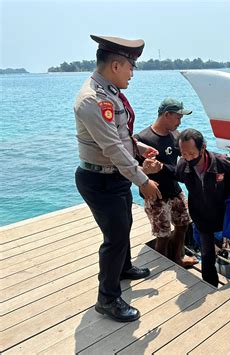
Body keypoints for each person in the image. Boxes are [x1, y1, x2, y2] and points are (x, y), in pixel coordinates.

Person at [74, 35, 161, 322]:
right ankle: (107, 299)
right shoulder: (93, 100)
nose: (132, 73)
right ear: (115, 65)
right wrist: (143, 181)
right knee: (115, 238)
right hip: (100, 180)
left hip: (115, 177)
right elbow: (111, 148)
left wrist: (138, 146)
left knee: (124, 227)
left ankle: (123, 269)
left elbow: (119, 135)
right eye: (130, 67)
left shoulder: (109, 92)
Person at [175, 128, 230, 287]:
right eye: (183, 154)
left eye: (192, 154)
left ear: (202, 148)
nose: (187, 158)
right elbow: (173, 175)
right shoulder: (183, 165)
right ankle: (210, 286)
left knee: (227, 238)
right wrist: (155, 170)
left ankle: (228, 244)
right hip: (202, 219)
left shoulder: (221, 162)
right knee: (207, 255)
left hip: (224, 215)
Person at [134, 98, 198, 267]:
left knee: (183, 224)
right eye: (177, 117)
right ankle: (161, 267)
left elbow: (184, 163)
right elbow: (130, 170)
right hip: (155, 195)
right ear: (166, 114)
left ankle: (177, 259)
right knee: (162, 235)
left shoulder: (176, 137)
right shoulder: (141, 139)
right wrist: (143, 178)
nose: (180, 122)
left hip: (175, 190)